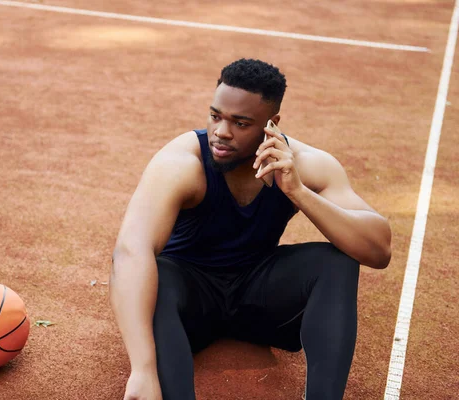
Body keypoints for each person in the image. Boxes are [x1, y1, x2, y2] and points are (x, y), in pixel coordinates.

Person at [110, 58, 392, 400]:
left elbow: (378, 249)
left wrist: (298, 192)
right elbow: (130, 250)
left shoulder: (304, 165)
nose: (222, 132)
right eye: (216, 116)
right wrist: (142, 369)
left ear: (271, 125)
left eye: (241, 123)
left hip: (256, 298)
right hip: (188, 306)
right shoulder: (182, 163)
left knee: (336, 261)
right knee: (157, 275)